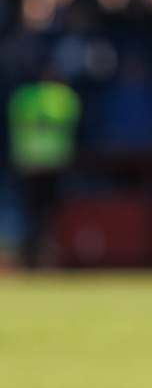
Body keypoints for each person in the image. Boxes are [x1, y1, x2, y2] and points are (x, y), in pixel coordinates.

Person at [8, 69, 81, 268]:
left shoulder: (24, 97)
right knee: (42, 215)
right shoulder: (63, 98)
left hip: (37, 164)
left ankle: (38, 257)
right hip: (46, 164)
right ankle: (36, 257)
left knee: (40, 214)